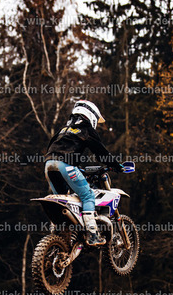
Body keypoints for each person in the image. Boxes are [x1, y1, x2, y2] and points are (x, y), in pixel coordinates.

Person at [45, 100, 123, 246]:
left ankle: (59, 235)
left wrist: (76, 168)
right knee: (88, 196)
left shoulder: (64, 130)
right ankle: (92, 234)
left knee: (61, 201)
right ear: (91, 115)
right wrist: (116, 166)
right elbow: (100, 152)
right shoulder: (86, 129)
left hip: (49, 165)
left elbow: (54, 148)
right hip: (66, 166)